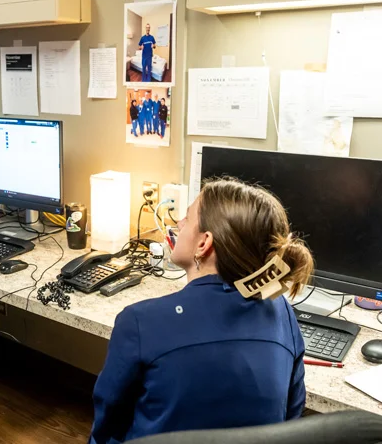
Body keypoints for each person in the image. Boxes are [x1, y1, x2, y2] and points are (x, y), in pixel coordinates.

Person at [90, 178, 312, 444]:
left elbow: (107, 423)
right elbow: (291, 415)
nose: (180, 223)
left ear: (204, 244)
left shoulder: (140, 321)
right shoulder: (282, 314)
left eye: (187, 217)